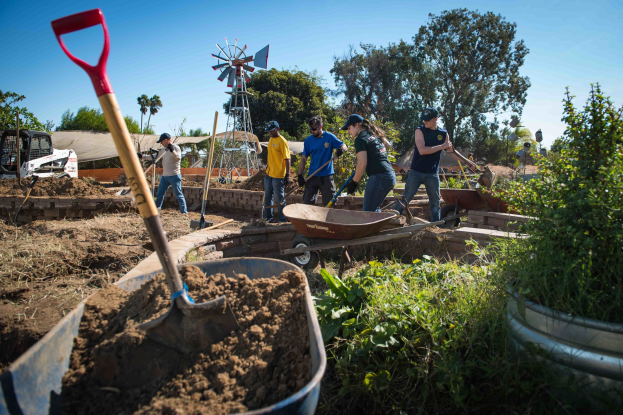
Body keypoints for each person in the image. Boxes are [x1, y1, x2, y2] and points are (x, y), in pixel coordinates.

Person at [393, 107, 478, 221]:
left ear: (436, 119)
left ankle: (436, 226)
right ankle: (391, 218)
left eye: (427, 119)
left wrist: (466, 162)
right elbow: (422, 150)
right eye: (423, 119)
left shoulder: (443, 133)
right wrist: (442, 146)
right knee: (406, 197)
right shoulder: (420, 130)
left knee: (435, 201)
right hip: (416, 171)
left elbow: (451, 151)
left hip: (432, 173)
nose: (425, 121)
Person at [341, 114, 396, 212]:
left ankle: (374, 227)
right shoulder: (373, 133)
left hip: (379, 176)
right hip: (390, 175)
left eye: (349, 128)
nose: (349, 132)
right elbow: (387, 145)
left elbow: (362, 164)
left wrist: (354, 183)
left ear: (357, 125)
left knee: (368, 212)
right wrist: (374, 153)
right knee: (374, 209)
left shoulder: (360, 139)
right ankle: (379, 227)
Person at [297, 116, 347, 206]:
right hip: (312, 175)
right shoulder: (308, 140)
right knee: (307, 203)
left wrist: (341, 149)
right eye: (310, 129)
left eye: (314, 129)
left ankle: (328, 220)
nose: (312, 131)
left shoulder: (329, 137)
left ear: (320, 127)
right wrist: (300, 175)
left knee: (330, 204)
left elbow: (344, 145)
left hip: (327, 176)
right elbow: (304, 158)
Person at [137, 133, 187, 214]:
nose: (161, 143)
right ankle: (156, 211)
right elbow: (155, 156)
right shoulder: (163, 150)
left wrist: (172, 150)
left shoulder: (176, 148)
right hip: (165, 176)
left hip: (175, 175)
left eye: (162, 141)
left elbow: (178, 157)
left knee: (178, 194)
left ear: (166, 140)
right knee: (160, 194)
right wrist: (143, 156)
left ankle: (184, 213)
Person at [263, 121, 291, 222]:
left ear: (277, 129)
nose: (269, 132)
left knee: (280, 199)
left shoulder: (282, 141)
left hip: (278, 175)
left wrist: (287, 175)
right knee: (268, 197)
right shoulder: (270, 139)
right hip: (269, 173)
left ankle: (282, 220)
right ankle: (267, 218)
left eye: (271, 130)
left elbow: (287, 159)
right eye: (268, 131)